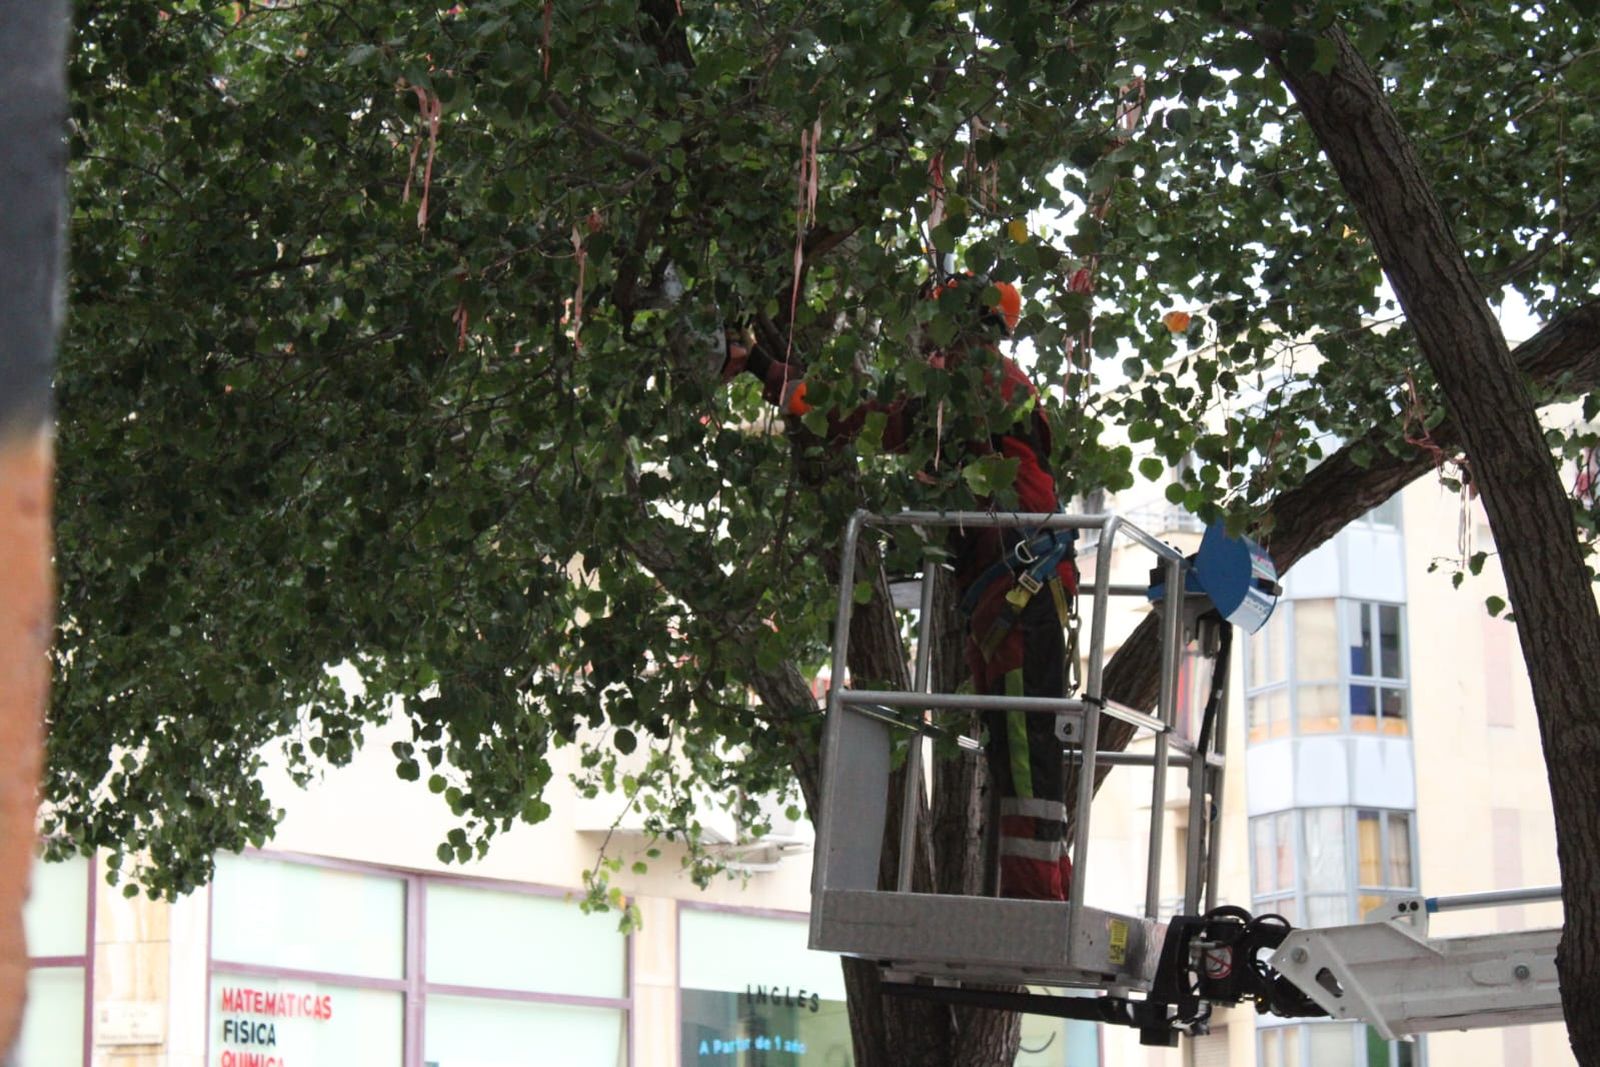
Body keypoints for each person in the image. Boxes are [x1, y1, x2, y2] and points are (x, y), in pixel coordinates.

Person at [722, 275, 1078, 902]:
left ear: (969, 326)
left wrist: (767, 371)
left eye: (935, 329)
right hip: (1007, 591)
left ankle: (1040, 899)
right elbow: (879, 421)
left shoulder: (980, 385)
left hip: (1022, 589)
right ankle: (1030, 891)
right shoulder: (977, 393)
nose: (925, 344)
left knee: (1025, 749)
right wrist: (768, 371)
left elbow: (873, 419)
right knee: (1013, 746)